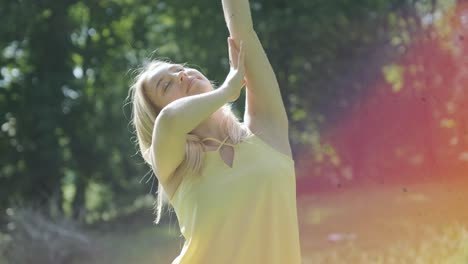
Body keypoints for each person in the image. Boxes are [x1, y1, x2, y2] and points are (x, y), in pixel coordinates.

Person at [128, 0, 302, 263]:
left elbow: (243, 32)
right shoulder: (174, 165)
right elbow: (170, 120)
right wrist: (227, 92)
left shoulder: (266, 132)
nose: (182, 75)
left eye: (180, 68)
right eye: (166, 85)